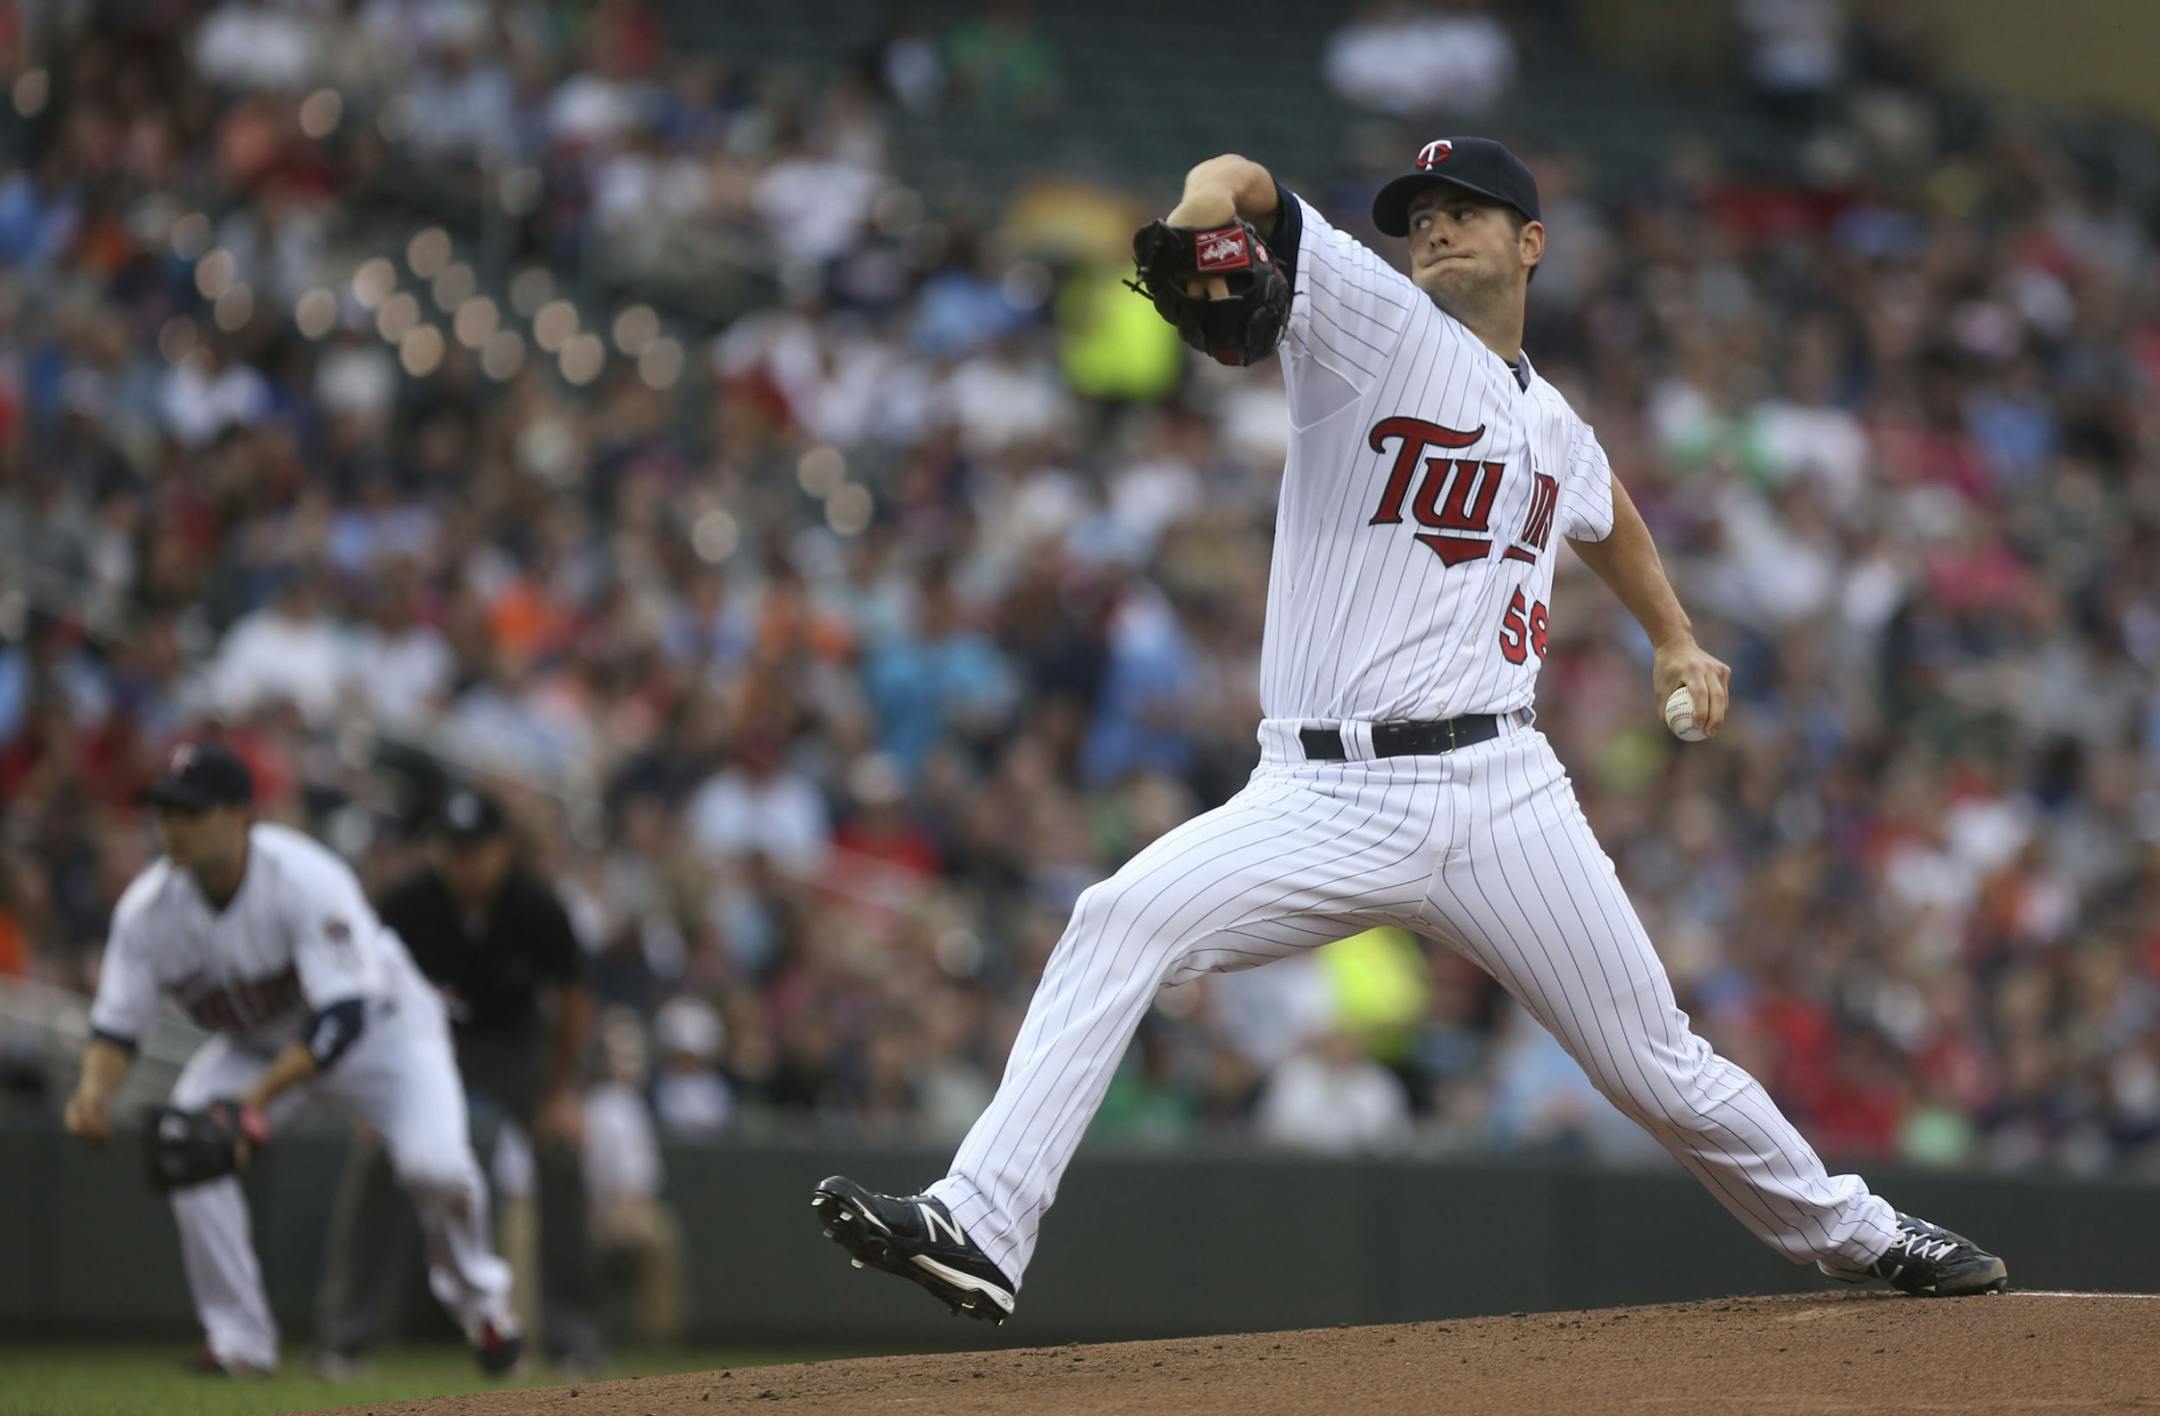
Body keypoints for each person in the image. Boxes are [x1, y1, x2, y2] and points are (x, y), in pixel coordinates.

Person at [810, 138, 2008, 1321]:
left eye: (1466, 210)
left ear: (1531, 244)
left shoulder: (1556, 423)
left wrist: (1675, 636)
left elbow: (1606, 513)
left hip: (1504, 789)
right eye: (1420, 210)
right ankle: (980, 1221)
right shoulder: (1372, 322)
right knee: (1117, 917)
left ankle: (1860, 1233)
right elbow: (1240, 180)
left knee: (1657, 1064)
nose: (1432, 226)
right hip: (1322, 793)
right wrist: (1191, 218)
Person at [63, 742, 521, 1375]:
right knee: (187, 1144)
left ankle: (485, 1311)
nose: (172, 826)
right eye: (165, 811)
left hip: (385, 1035)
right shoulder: (148, 912)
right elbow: (116, 1028)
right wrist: (92, 1092)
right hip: (259, 1048)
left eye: (191, 812)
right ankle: (239, 1341)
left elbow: (341, 1019)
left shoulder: (305, 877)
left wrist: (249, 1105)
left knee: (435, 1169)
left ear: (239, 815)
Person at [314, 786, 600, 1370]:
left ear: (503, 849)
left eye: (476, 848)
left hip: (516, 1047)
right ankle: (345, 1337)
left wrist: (561, 1092)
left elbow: (572, 1000)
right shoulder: (408, 903)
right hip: (424, 1047)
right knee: (377, 1161)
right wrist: (373, 1099)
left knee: (562, 1156)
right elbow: (368, 994)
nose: (464, 861)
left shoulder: (536, 905)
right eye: (452, 847)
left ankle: (575, 1340)